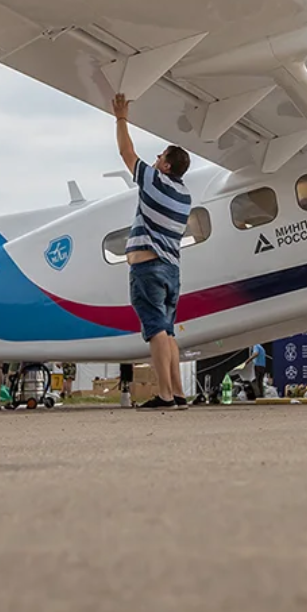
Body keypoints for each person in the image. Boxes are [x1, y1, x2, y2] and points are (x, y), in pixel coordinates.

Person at [114, 93, 193, 409]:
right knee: (169, 333)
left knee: (156, 331)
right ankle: (177, 392)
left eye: (160, 156)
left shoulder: (154, 181)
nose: (156, 158)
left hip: (148, 268)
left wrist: (121, 117)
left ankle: (163, 395)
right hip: (172, 269)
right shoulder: (184, 195)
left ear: (167, 165)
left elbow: (126, 152)